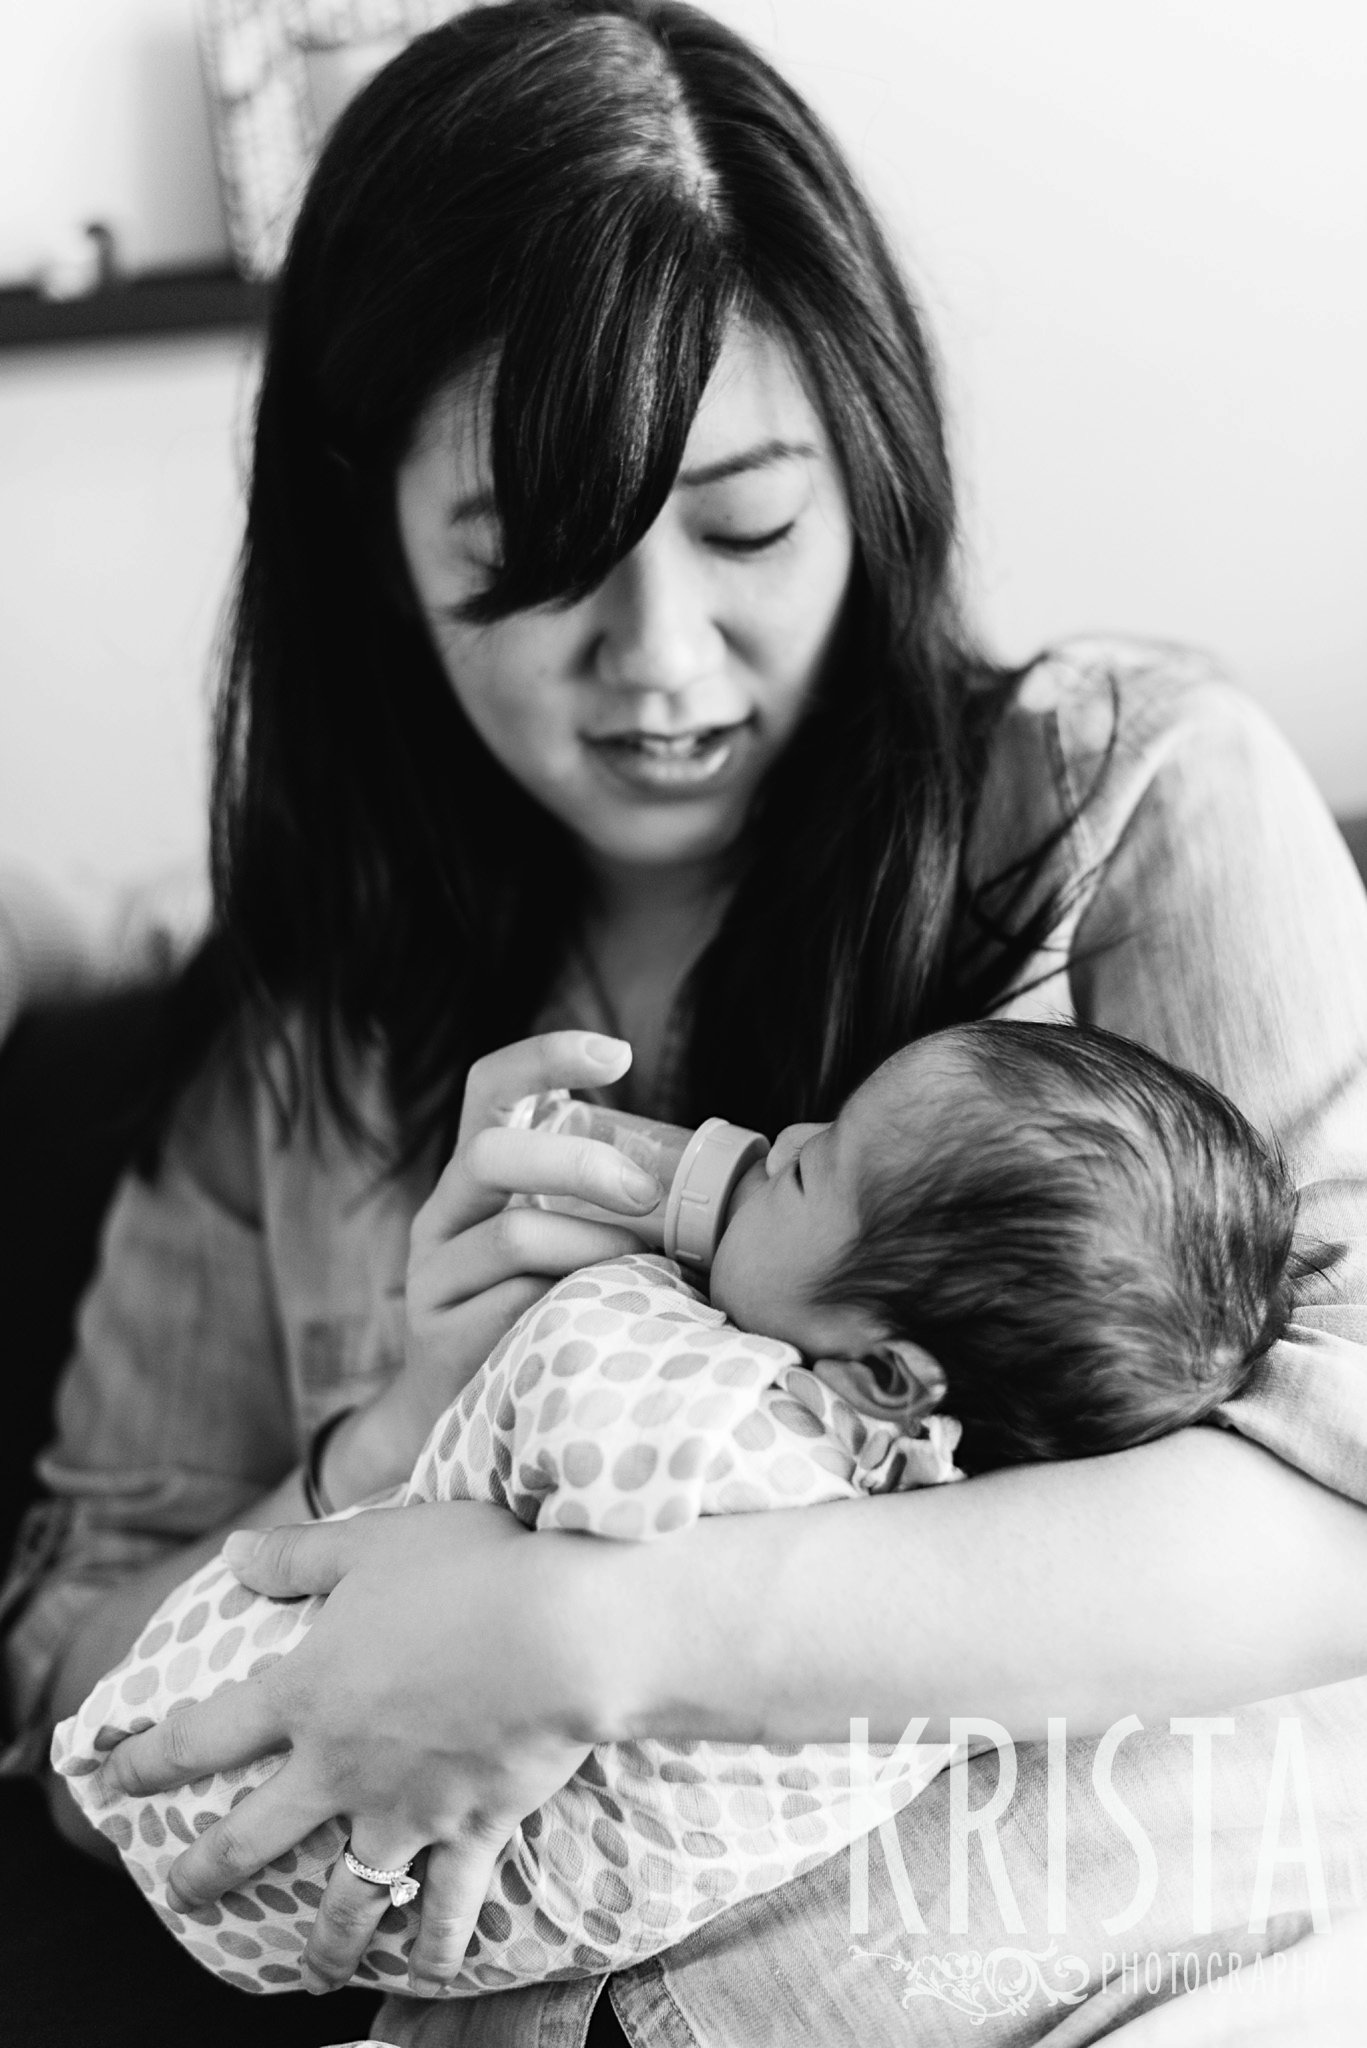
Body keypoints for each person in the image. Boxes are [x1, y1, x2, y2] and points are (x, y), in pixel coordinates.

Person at [4, 3, 1367, 2042]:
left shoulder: (1122, 798)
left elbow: (1333, 1503)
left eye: (745, 527)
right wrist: (385, 1446)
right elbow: (62, 1658)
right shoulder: (306, 1033)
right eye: (533, 566)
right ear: (377, 549)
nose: (660, 662)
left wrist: (596, 1630)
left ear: (867, 464)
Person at [55, 1017, 1312, 2002]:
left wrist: (623, 1272)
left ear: (880, 1376)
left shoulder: (731, 1429)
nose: (775, 1136)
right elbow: (54, 1693)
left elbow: (603, 1424)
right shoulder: (963, 1490)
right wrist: (406, 1409)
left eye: (811, 1165)